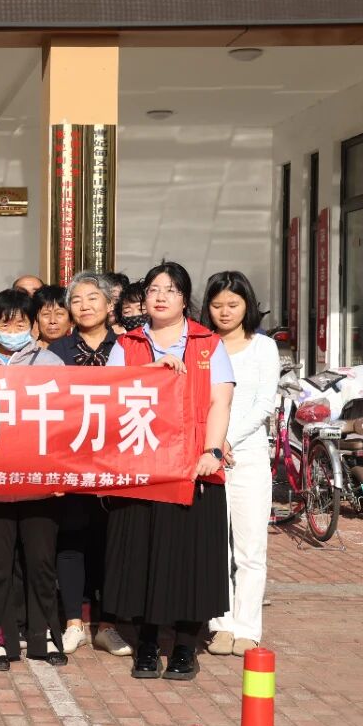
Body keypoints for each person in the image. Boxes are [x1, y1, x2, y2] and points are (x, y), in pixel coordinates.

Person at [105, 262, 234, 681]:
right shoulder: (127, 344)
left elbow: (220, 401)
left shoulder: (207, 343)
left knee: (191, 559)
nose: (161, 297)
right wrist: (151, 371)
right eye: (154, 289)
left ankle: (184, 646)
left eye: (171, 290)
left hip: (195, 466)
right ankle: (146, 643)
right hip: (142, 469)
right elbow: (109, 393)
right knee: (143, 556)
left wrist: (213, 449)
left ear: (184, 299)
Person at [0, 289, 68, 672]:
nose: (12, 330)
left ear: (32, 325)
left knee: (41, 564)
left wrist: (63, 473)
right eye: (4, 324)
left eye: (20, 323)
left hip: (40, 484)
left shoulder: (51, 363)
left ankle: (45, 637)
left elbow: (66, 422)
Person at [46, 272, 132, 658]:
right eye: (76, 300)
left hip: (117, 460)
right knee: (71, 537)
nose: (84, 306)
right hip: (71, 458)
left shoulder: (128, 347)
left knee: (111, 541)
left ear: (110, 304)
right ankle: (73, 622)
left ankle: (107, 624)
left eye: (92, 298)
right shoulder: (56, 351)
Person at [201, 271, 280, 658]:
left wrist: (227, 440)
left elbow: (264, 403)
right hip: (208, 458)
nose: (225, 312)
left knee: (250, 548)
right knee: (217, 546)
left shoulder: (263, 347)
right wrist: (212, 445)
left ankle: (248, 627)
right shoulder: (203, 346)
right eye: (217, 305)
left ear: (247, 305)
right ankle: (221, 624)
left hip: (247, 456)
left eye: (233, 305)